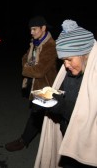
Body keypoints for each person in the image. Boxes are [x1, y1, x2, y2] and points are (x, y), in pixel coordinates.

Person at [34, 19, 97, 168]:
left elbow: (87, 116)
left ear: (84, 54)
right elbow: (66, 94)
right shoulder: (73, 70)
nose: (66, 66)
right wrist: (46, 99)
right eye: (63, 61)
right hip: (68, 135)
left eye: (69, 59)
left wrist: (58, 106)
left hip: (87, 149)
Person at [5, 15, 58, 152]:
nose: (31, 32)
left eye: (34, 29)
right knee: (44, 117)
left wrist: (26, 69)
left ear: (43, 28)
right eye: (30, 29)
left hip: (46, 88)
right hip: (37, 87)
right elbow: (24, 58)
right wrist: (29, 67)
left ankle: (23, 141)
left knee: (37, 115)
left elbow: (39, 71)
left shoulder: (50, 46)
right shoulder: (35, 43)